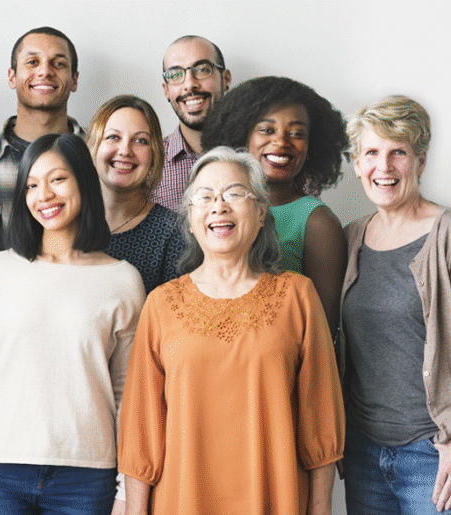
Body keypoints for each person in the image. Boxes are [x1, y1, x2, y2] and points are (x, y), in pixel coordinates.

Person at [119, 147, 343, 515]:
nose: (218, 206)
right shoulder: (161, 305)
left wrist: (321, 511)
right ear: (190, 219)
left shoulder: (297, 297)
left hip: (276, 499)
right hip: (181, 501)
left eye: (234, 194)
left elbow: (321, 422)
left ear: (260, 214)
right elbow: (141, 430)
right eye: (204, 197)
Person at [0, 133, 144, 514]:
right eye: (32, 185)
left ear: (83, 183)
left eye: (57, 179)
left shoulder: (123, 280)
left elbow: (128, 392)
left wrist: (126, 485)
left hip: (87, 475)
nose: (44, 195)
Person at [339, 96, 451, 514]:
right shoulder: (351, 238)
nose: (383, 167)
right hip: (364, 452)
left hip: (434, 455)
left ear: (420, 162)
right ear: (356, 164)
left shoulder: (445, 234)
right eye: (372, 152)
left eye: (397, 152)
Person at [202, 76, 348, 340]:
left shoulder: (317, 222)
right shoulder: (216, 210)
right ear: (242, 135)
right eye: (267, 130)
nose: (281, 142)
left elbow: (323, 332)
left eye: (297, 133)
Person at [0, 26, 85, 250]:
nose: (45, 72)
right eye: (32, 62)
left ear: (74, 79)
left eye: (58, 63)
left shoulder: (100, 155)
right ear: (12, 76)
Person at [86, 95, 183, 294]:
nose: (125, 150)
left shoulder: (175, 234)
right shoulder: (66, 222)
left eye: (140, 141)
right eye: (113, 137)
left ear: (155, 155)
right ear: (93, 146)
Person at [153, 35, 231, 210]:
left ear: (225, 79)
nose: (189, 84)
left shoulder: (258, 155)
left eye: (202, 69)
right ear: (166, 90)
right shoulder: (149, 165)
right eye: (175, 74)